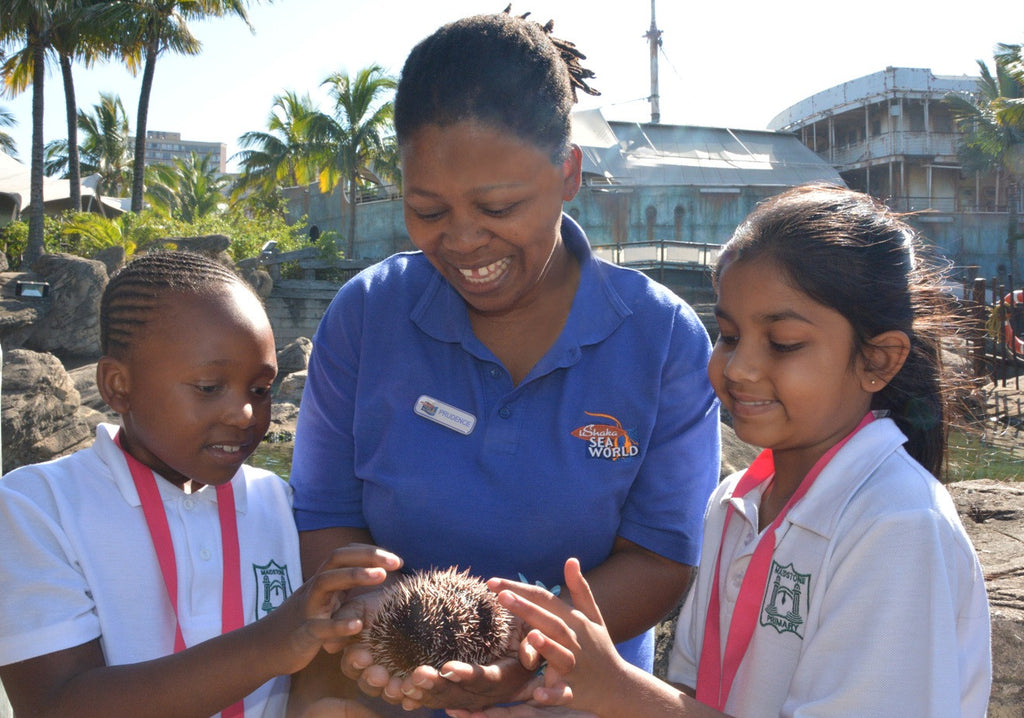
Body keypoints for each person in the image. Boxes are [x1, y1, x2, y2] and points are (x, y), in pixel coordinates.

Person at [287, 9, 720, 716]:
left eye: (498, 206)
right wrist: (376, 624)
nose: (462, 241)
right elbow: (326, 519)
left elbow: (662, 559)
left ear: (569, 173)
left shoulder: (664, 339)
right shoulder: (365, 316)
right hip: (389, 678)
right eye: (427, 209)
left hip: (570, 687)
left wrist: (524, 653)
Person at [456, 184, 993, 718]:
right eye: (729, 335)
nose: (737, 369)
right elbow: (696, 698)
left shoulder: (897, 523)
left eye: (783, 343)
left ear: (878, 361)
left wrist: (620, 689)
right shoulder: (733, 504)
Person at [0, 250, 402, 718]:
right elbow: (55, 704)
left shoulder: (275, 499)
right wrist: (273, 643)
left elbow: (307, 669)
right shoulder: (37, 508)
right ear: (117, 386)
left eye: (260, 389)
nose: (245, 414)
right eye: (210, 387)